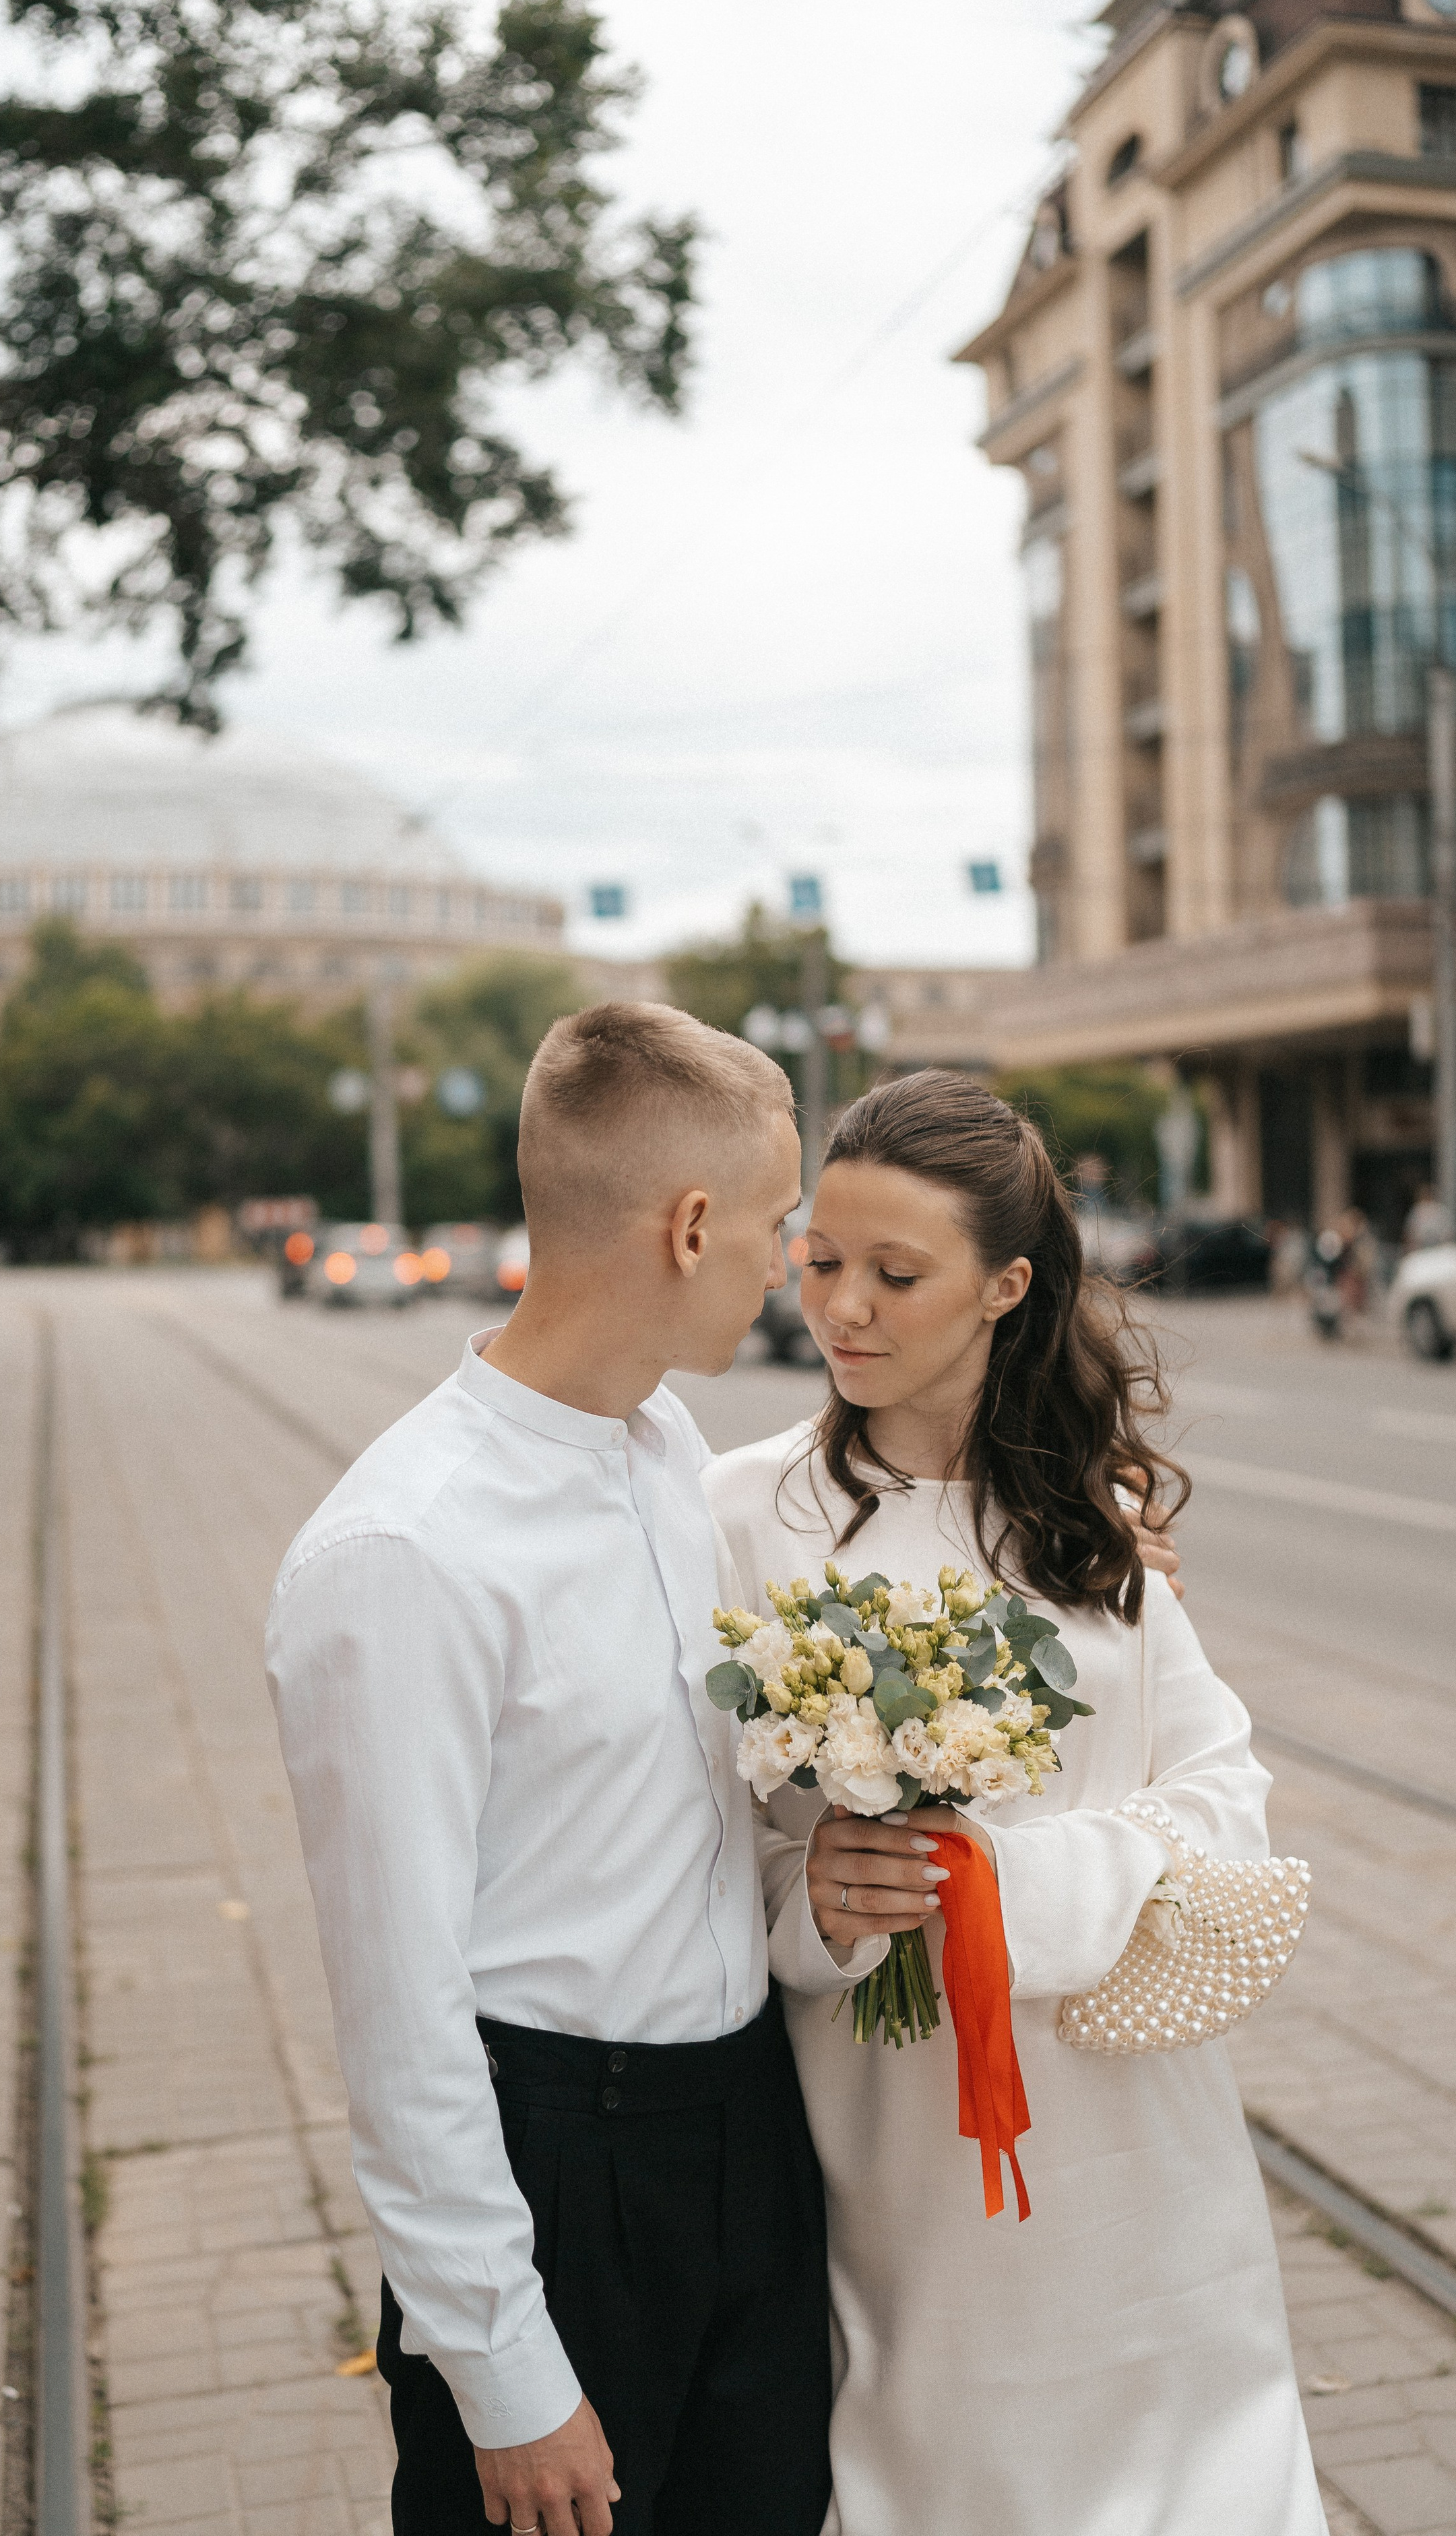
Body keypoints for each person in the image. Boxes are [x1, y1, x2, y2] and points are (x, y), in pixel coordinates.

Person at [266, 1004, 868, 2536]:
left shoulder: (665, 1447)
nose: (788, 1262)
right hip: (555, 2174)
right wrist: (502, 2367)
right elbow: (398, 2012)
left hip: (744, 2138)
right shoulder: (402, 1555)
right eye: (777, 1223)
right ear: (685, 1228)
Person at [703, 1069, 1325, 2536]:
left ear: (1005, 1287)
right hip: (899, 2164)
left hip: (1139, 2154)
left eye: (893, 1275)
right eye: (821, 1265)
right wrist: (818, 1912)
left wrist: (1012, 1888)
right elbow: (702, 1853)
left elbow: (1223, 1794)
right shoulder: (734, 1515)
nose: (839, 1309)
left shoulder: (1090, 1521)